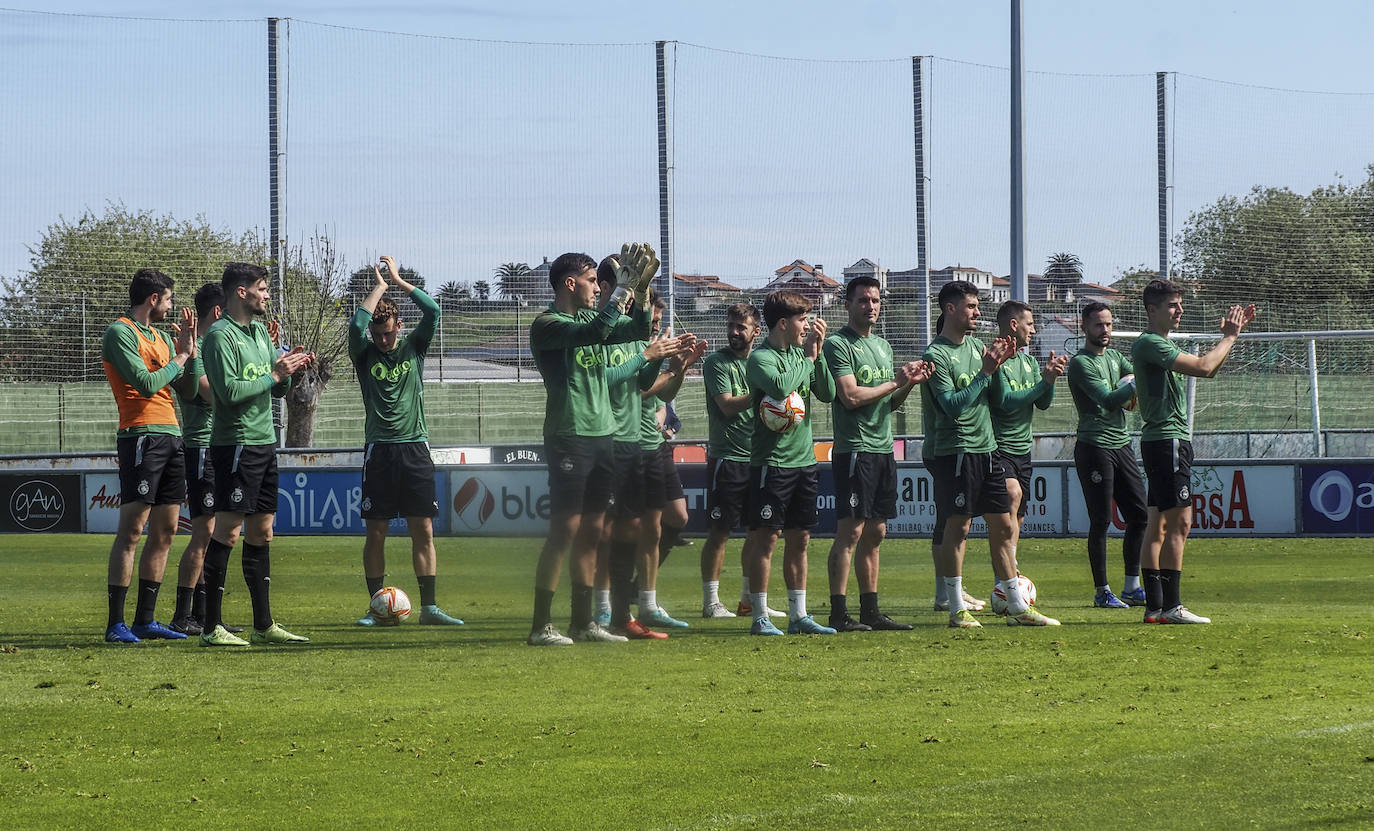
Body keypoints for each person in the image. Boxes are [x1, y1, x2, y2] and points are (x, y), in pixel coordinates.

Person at [525, 244, 657, 646]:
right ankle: (541, 626)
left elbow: (637, 330)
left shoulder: (588, 315)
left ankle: (583, 623)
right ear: (569, 283)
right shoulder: (547, 323)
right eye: (590, 281)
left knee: (594, 531)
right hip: (570, 435)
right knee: (564, 529)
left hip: (604, 436)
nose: (597, 288)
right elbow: (594, 332)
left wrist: (644, 290)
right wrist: (622, 291)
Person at [921, 280, 1059, 628]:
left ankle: (1016, 603)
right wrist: (986, 371)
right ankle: (955, 607)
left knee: (1002, 522)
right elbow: (953, 406)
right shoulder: (935, 355)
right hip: (955, 451)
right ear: (950, 309)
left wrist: (1004, 369)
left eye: (978, 306)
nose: (978, 312)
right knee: (960, 527)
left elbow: (998, 399)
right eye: (971, 306)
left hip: (988, 449)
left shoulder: (979, 347)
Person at [198, 262, 315, 646]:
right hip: (236, 444)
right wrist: (275, 375)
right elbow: (228, 394)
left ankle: (263, 625)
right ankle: (211, 627)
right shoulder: (219, 337)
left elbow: (274, 391)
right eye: (262, 289)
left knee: (262, 532)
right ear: (241, 292)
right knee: (228, 531)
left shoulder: (261, 333)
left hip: (265, 443)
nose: (267, 295)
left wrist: (290, 371)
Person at [1131, 280, 1255, 624]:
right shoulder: (1151, 343)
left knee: (1157, 524)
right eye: (1172, 305)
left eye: (1180, 304)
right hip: (1167, 441)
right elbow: (1203, 367)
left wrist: (1233, 336)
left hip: (1163, 441)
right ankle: (1171, 607)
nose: (1180, 310)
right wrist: (1229, 337)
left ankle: (1156, 608)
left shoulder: (1156, 345)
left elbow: (1208, 371)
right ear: (1151, 310)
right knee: (1180, 522)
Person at [351, 255, 465, 627]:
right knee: (377, 532)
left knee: (423, 529)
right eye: (378, 334)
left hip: (415, 447)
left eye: (389, 333)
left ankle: (430, 608)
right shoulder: (364, 353)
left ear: (399, 326)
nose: (384, 340)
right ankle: (375, 605)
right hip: (379, 451)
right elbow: (356, 324)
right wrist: (379, 287)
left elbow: (432, 311)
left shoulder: (414, 347)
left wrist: (398, 282)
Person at [823, 276, 931, 632]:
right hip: (855, 450)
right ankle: (838, 614)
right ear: (847, 304)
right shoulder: (838, 344)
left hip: (883, 449)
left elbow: (888, 402)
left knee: (877, 532)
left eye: (875, 300)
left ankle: (871, 611)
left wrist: (907, 386)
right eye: (863, 300)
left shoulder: (883, 346)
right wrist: (895, 382)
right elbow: (850, 397)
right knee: (850, 532)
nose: (871, 306)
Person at [100, 268, 197, 643]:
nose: (172, 307)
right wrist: (180, 358)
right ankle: (115, 623)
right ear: (153, 299)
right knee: (133, 530)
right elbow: (144, 384)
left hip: (172, 436)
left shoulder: (159, 336)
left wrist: (192, 349)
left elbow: (186, 389)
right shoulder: (120, 332)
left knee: (167, 530)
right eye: (169, 299)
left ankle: (145, 620)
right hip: (141, 436)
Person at [591, 272, 690, 640]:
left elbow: (650, 387)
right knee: (605, 531)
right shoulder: (599, 334)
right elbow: (622, 384)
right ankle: (603, 606)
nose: (653, 324)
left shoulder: (638, 340)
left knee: (652, 526)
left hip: (645, 445)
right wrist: (653, 357)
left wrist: (678, 366)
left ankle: (641, 603)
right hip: (613, 442)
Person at [743, 289, 837, 636]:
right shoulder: (761, 358)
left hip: (804, 462)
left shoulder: (804, 356)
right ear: (783, 323)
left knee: (801, 540)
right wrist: (808, 359)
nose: (807, 326)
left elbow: (827, 393)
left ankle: (799, 616)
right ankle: (759, 617)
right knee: (766, 540)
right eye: (801, 320)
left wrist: (819, 355)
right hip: (772, 463)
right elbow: (781, 389)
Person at [698, 303, 781, 619]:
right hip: (728, 459)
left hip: (760, 459)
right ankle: (711, 602)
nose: (734, 332)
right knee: (720, 533)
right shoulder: (717, 363)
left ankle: (749, 600)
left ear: (756, 332)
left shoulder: (762, 362)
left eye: (741, 327)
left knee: (758, 533)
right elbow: (728, 406)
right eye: (731, 326)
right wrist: (765, 394)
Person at [1066, 302, 1147, 609]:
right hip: (1094, 446)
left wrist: (1132, 386)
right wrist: (1136, 382)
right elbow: (1109, 398)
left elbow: (1128, 390)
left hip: (1121, 444)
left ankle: (1132, 587)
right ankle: (1102, 591)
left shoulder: (1114, 357)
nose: (1105, 331)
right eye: (1099, 325)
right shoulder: (1081, 363)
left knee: (1140, 515)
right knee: (1101, 520)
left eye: (1109, 325)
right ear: (1084, 327)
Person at [634, 294, 706, 629]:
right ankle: (625, 599)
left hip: (655, 444)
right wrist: (671, 368)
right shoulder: (633, 347)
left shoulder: (653, 346)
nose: (656, 326)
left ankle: (641, 592)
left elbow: (665, 393)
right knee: (630, 527)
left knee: (676, 516)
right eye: (652, 320)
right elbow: (640, 390)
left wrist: (681, 368)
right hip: (629, 444)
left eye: (659, 321)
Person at [988, 299, 1067, 596]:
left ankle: (1006, 572)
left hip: (1023, 449)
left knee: (1018, 516)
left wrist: (1051, 379)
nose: (1034, 329)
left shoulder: (1028, 361)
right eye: (1030, 324)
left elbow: (1042, 403)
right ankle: (1007, 573)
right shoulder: (996, 359)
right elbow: (1005, 403)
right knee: (1012, 495)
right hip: (999, 447)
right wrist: (1042, 383)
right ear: (1014, 325)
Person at [169, 282, 225, 635]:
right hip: (201, 447)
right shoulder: (199, 349)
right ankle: (182, 614)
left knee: (214, 533)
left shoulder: (214, 347)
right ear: (219, 313)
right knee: (204, 533)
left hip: (217, 448)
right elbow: (209, 394)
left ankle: (204, 615)